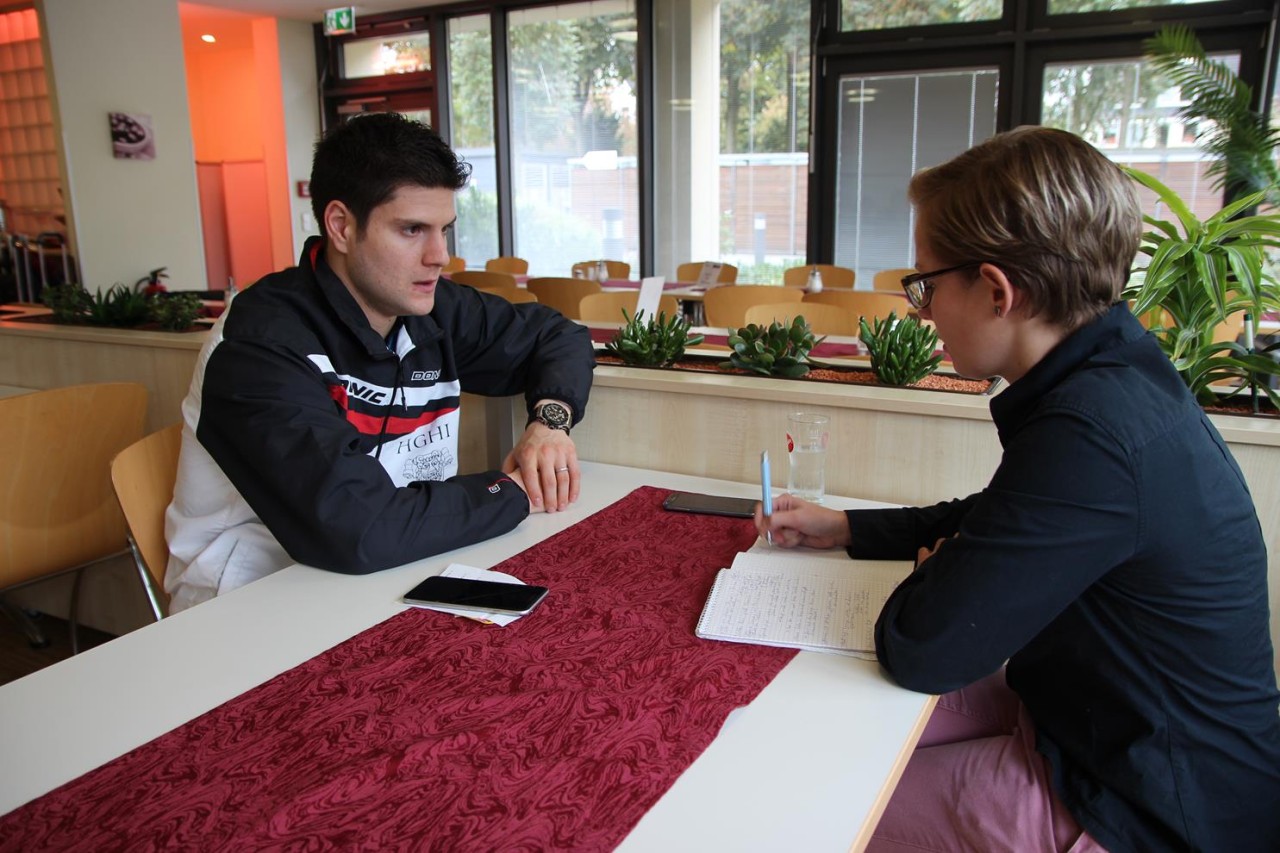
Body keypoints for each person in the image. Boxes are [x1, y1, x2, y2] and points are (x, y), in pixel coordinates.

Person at [757, 127, 1280, 851]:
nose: (920, 308)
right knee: (812, 726)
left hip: (1145, 801)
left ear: (997, 291)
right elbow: (1007, 518)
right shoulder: (1114, 372)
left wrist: (942, 568)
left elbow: (921, 645)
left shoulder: (1094, 428)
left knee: (816, 796)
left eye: (925, 282)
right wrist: (850, 527)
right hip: (1085, 712)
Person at [165, 113, 595, 613]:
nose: (440, 256)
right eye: (412, 230)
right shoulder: (258, 346)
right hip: (250, 599)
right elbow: (358, 526)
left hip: (397, 567)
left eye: (444, 230)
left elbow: (559, 336)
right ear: (342, 227)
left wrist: (550, 422)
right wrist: (514, 491)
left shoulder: (428, 304)